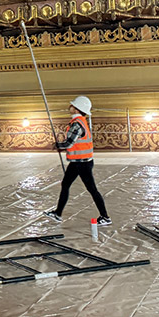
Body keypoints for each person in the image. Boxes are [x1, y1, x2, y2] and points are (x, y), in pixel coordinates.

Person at [45, 95, 111, 225]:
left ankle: (105, 217)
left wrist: (57, 145)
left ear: (76, 109)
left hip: (83, 163)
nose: (70, 106)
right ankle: (58, 213)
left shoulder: (77, 124)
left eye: (72, 105)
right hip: (77, 162)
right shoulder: (80, 122)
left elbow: (69, 143)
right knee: (65, 184)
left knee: (92, 189)